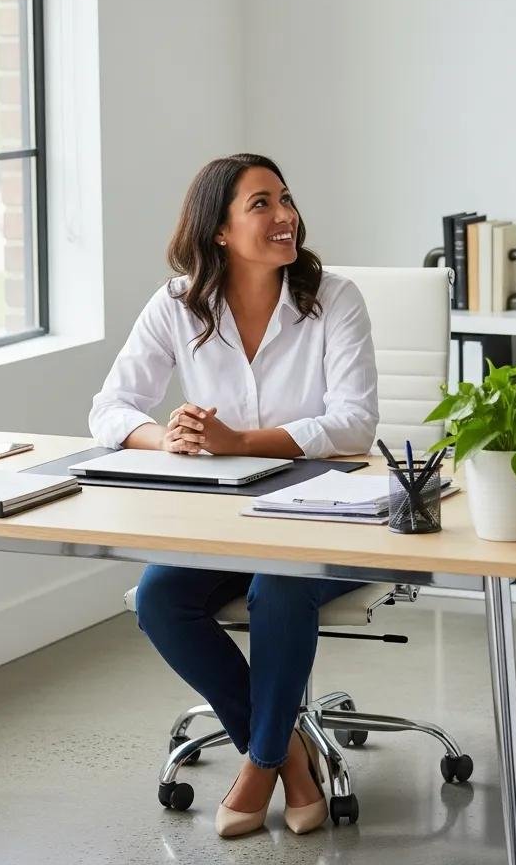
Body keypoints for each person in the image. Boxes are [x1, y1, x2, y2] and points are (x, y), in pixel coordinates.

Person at [89, 153, 379, 838]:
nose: (285, 217)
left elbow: (354, 424)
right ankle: (288, 757)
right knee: (160, 598)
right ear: (217, 230)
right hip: (226, 521)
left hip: (332, 520)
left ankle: (258, 769)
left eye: (286, 200)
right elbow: (108, 409)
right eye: (261, 205)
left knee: (279, 586)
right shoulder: (176, 304)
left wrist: (238, 440)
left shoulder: (334, 299)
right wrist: (171, 438)